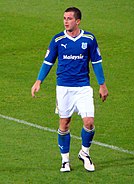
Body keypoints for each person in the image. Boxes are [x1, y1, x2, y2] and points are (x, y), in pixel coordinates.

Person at [31, 7, 108, 172]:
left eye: (69, 18)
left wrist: (102, 84)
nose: (66, 21)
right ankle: (65, 160)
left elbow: (96, 62)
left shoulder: (89, 39)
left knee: (89, 122)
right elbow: (48, 61)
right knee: (64, 124)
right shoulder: (58, 39)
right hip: (64, 88)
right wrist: (39, 81)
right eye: (64, 18)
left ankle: (84, 153)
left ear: (78, 21)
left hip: (83, 88)